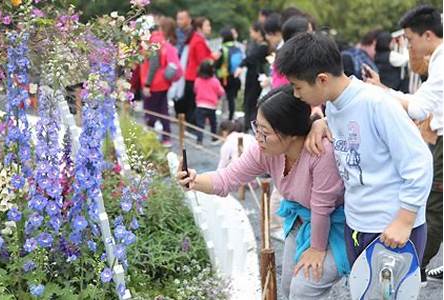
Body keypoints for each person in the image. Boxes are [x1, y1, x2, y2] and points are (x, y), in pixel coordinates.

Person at [276, 33, 432, 271]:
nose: (296, 94)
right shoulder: (336, 106)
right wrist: (321, 121)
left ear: (321, 79)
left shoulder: (377, 104)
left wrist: (405, 219)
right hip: (358, 223)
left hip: (392, 228)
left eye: (297, 87)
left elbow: (419, 161)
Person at [177, 85, 350, 299]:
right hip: (304, 219)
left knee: (304, 288)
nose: (258, 137)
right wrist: (194, 180)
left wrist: (317, 249)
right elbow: (227, 178)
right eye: (256, 128)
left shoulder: (320, 152)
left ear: (292, 134)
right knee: (287, 287)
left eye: (265, 132)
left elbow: (322, 209)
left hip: (339, 227)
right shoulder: (265, 150)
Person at [364, 5, 443, 284]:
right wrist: (384, 91)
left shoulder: (441, 59)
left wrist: (380, 94)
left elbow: (419, 107)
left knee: (433, 208)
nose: (409, 45)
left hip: (441, 141)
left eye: (410, 39)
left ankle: (414, 269)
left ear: (428, 34)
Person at [140, 17, 180, 147]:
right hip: (163, 82)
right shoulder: (163, 40)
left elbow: (154, 64)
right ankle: (166, 137)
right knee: (163, 110)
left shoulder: (154, 40)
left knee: (150, 111)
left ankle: (149, 138)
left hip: (154, 83)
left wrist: (147, 84)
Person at [234, 21, 269, 131]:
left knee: (251, 102)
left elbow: (251, 58)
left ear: (258, 32)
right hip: (252, 77)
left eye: (251, 32)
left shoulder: (264, 46)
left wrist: (241, 65)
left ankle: (249, 127)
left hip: (256, 78)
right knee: (248, 101)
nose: (250, 34)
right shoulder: (257, 45)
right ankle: (247, 126)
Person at [194, 60, 225, 145]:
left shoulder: (197, 80)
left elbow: (195, 90)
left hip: (200, 105)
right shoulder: (215, 81)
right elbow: (221, 92)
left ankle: (199, 141)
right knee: (213, 123)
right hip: (211, 106)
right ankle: (214, 138)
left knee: (200, 124)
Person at [215, 27, 243, 120]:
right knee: (232, 99)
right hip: (235, 76)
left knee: (221, 97)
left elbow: (217, 64)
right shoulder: (237, 48)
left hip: (224, 77)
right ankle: (231, 117)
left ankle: (220, 116)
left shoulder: (223, 49)